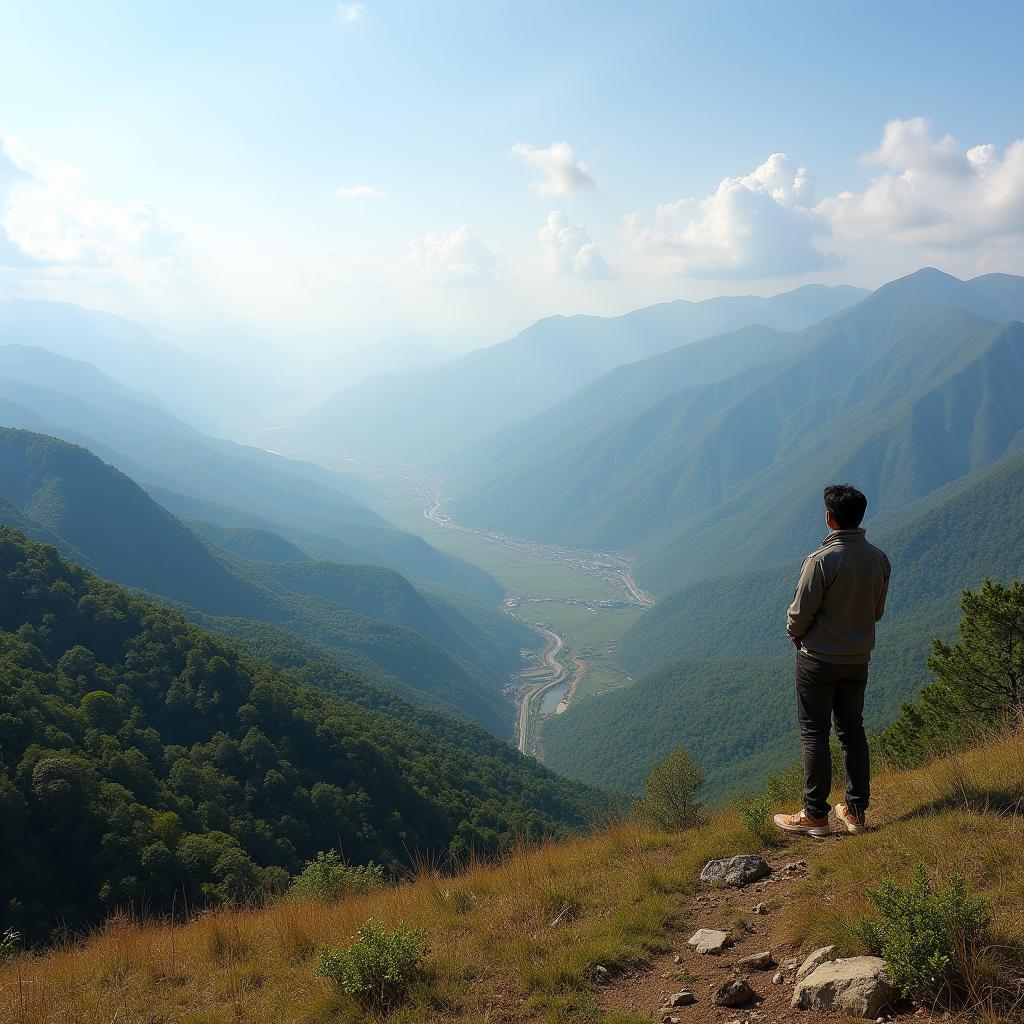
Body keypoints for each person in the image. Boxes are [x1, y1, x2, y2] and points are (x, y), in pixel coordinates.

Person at [774, 484, 891, 838]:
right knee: (853, 731)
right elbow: (877, 611)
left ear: (829, 518)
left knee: (815, 733)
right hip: (858, 660)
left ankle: (815, 815)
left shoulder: (820, 561)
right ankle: (855, 812)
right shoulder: (879, 559)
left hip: (818, 660)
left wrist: (797, 635)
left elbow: (798, 615)